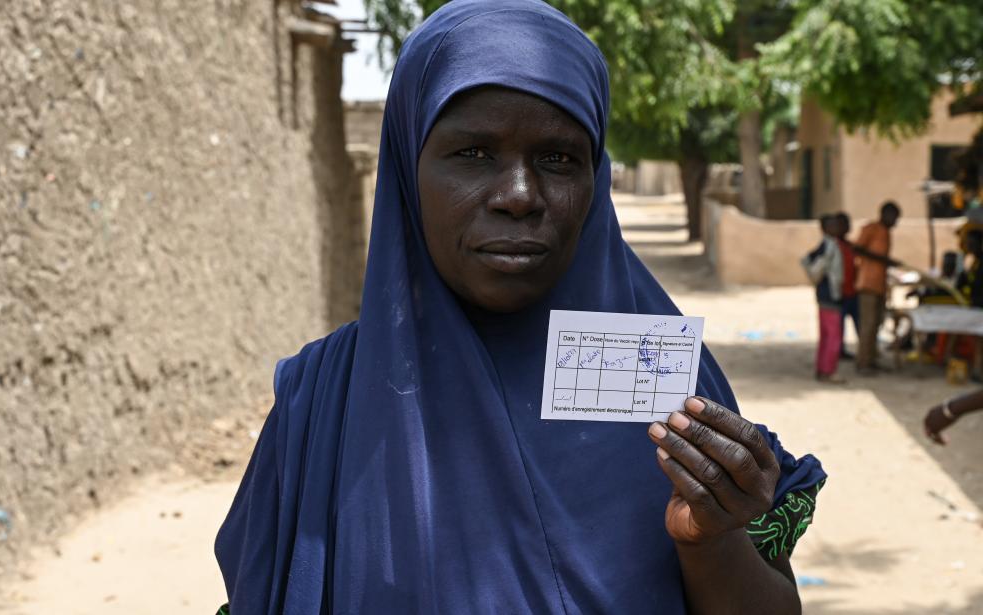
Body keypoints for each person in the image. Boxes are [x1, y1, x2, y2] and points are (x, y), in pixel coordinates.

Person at [213, 2, 826, 613]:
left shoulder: (668, 392)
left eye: (558, 158)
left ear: (596, 180)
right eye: (473, 154)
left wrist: (713, 541)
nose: (518, 196)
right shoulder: (324, 402)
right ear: (408, 170)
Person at [854, 201, 901, 375]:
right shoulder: (871, 229)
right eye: (895, 217)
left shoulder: (886, 232)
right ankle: (863, 363)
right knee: (867, 325)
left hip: (880, 285)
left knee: (876, 324)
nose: (896, 222)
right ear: (885, 214)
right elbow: (857, 248)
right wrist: (883, 260)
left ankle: (871, 360)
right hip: (867, 284)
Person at [801, 215, 845, 383]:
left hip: (823, 295)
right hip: (830, 295)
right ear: (825, 228)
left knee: (826, 335)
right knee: (833, 336)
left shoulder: (825, 245)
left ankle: (822, 369)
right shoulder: (830, 246)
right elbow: (814, 265)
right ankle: (828, 371)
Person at [833, 213, 859, 359]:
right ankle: (838, 351)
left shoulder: (851, 246)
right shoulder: (832, 247)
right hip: (839, 293)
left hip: (853, 292)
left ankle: (864, 353)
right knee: (838, 326)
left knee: (860, 325)